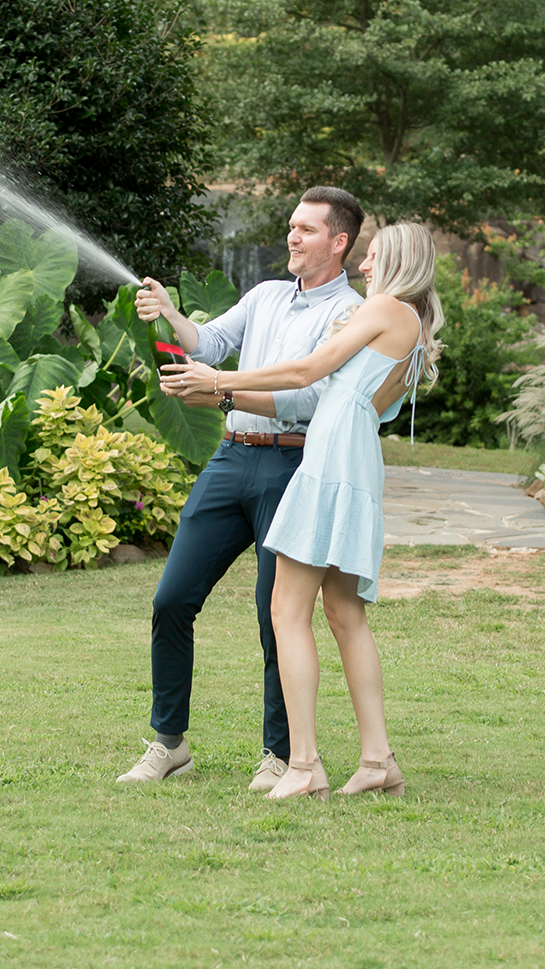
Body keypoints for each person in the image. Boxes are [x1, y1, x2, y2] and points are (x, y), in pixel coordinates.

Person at [159, 223, 443, 800]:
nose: (366, 268)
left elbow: (304, 373)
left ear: (401, 262)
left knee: (287, 610)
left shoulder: (385, 307)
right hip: (355, 458)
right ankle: (376, 760)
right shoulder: (410, 324)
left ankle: (304, 765)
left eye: (374, 258)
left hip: (330, 460)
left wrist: (218, 382)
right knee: (344, 613)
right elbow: (367, 402)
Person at [116, 186, 367, 788]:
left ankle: (280, 754)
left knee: (276, 616)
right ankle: (168, 743)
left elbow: (308, 394)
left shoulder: (350, 313)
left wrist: (220, 391)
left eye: (307, 229)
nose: (292, 237)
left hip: (291, 467)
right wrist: (172, 314)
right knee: (171, 599)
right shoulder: (266, 295)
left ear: (339, 242)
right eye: (291, 226)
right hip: (232, 460)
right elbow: (209, 342)